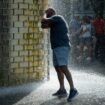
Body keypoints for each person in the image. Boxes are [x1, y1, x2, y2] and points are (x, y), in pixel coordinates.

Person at [41, 8, 78, 102]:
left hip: (62, 46)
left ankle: (73, 89)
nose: (48, 16)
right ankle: (62, 89)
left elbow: (44, 20)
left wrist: (44, 13)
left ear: (52, 13)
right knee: (58, 68)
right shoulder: (53, 22)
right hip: (56, 47)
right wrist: (45, 19)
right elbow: (43, 26)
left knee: (63, 67)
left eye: (49, 14)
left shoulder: (57, 17)